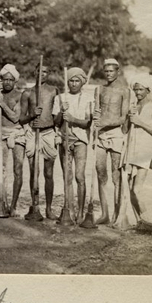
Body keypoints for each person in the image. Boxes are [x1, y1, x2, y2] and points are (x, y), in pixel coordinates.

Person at [53, 67, 93, 223]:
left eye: (77, 81)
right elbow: (55, 122)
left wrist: (72, 118)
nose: (74, 84)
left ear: (82, 82)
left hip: (80, 140)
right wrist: (61, 114)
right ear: (67, 82)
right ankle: (68, 210)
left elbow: (87, 123)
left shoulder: (89, 98)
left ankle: (81, 212)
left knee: (79, 176)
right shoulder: (61, 98)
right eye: (71, 80)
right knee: (67, 177)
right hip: (64, 140)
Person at [20, 63, 60, 220]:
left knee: (48, 173)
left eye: (45, 71)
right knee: (33, 172)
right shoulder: (27, 93)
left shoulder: (54, 91)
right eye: (39, 71)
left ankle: (49, 209)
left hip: (49, 133)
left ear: (48, 73)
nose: (42, 74)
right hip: (32, 134)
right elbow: (21, 118)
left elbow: (57, 117)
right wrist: (31, 116)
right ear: (34, 71)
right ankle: (34, 205)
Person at [93, 58, 130, 224]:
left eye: (111, 71)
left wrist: (106, 122)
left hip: (115, 135)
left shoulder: (124, 91)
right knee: (101, 174)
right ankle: (104, 214)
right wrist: (95, 119)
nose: (108, 74)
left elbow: (123, 118)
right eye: (106, 71)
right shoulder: (99, 89)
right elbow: (96, 111)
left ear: (118, 72)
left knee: (116, 177)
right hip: (100, 136)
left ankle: (117, 215)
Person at [0, 63, 25, 217]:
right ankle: (2, 201)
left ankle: (14, 205)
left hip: (16, 133)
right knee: (1, 170)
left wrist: (1, 103)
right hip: (1, 133)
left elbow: (16, 117)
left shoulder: (19, 95)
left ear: (15, 81)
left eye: (10, 80)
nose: (7, 82)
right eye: (5, 79)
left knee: (18, 169)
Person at [123, 73, 152, 217]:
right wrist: (129, 118)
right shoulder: (132, 107)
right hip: (131, 150)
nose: (138, 93)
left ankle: (147, 219)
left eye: (141, 89)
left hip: (145, 151)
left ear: (148, 90)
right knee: (128, 188)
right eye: (136, 89)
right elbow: (125, 130)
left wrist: (140, 123)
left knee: (136, 190)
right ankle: (140, 220)